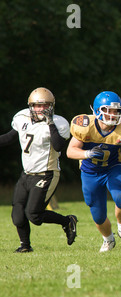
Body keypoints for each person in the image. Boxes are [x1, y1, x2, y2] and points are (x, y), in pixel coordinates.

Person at [66, 91, 121, 252]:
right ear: (98, 110)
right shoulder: (85, 127)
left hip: (113, 168)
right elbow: (70, 151)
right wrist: (87, 153)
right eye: (109, 110)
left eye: (116, 111)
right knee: (98, 215)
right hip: (90, 172)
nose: (113, 114)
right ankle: (108, 240)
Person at [0, 87, 77, 253]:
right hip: (26, 174)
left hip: (47, 173)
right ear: (30, 106)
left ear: (51, 106)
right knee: (18, 214)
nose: (41, 109)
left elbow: (58, 146)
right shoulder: (22, 118)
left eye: (45, 105)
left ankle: (67, 221)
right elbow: (9, 137)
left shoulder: (58, 123)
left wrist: (49, 123)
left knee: (34, 215)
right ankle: (25, 246)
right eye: (37, 105)